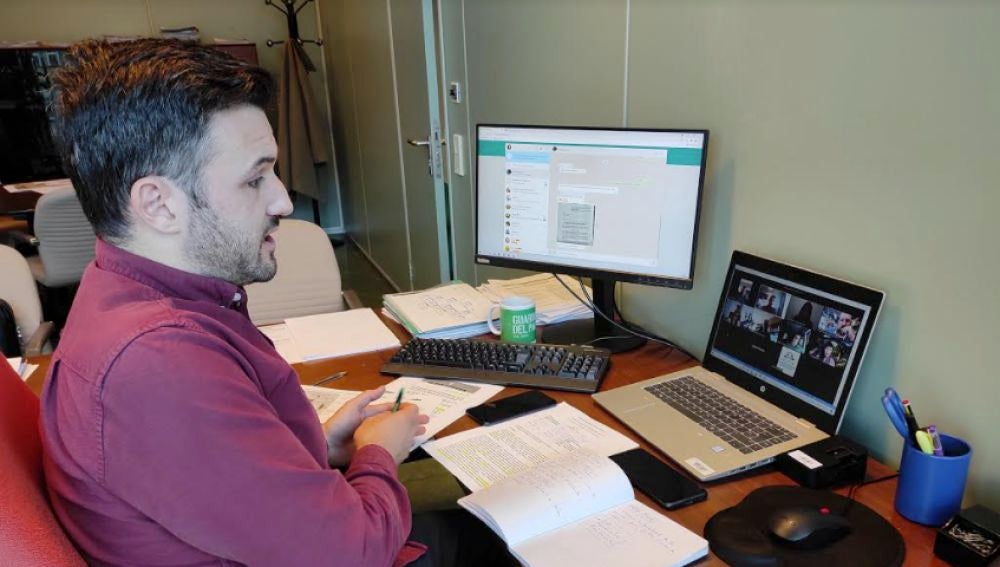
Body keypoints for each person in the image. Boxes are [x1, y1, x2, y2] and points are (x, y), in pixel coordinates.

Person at [40, 39, 511, 567]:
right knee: (512, 528)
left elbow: (211, 477)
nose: (283, 200)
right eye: (254, 178)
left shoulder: (121, 292)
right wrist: (378, 452)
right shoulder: (157, 362)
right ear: (159, 204)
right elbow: (350, 554)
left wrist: (316, 443)